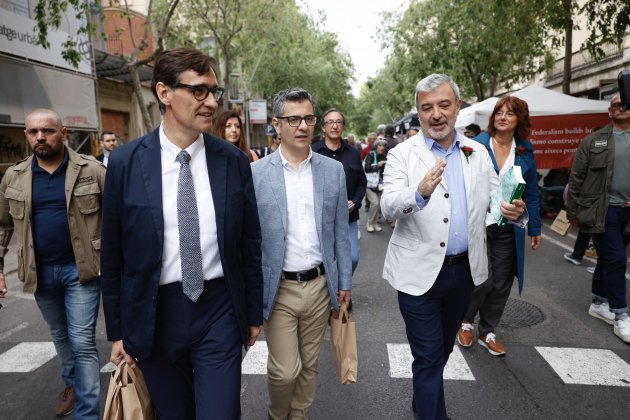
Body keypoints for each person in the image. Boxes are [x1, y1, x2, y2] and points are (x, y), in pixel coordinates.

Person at [100, 48, 263, 419]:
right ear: (164, 93)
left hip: (219, 308)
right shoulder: (126, 162)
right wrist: (119, 330)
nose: (210, 102)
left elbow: (249, 243)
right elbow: (113, 253)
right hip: (155, 313)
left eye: (214, 91)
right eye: (199, 91)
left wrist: (252, 313)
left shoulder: (232, 161)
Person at [380, 74, 525, 420]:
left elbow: (495, 203)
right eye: (426, 107)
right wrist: (419, 192)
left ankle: (423, 395)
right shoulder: (403, 154)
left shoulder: (478, 152)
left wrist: (512, 212)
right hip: (417, 278)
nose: (436, 114)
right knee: (429, 356)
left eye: (444, 104)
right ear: (418, 113)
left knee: (441, 351)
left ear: (458, 107)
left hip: (463, 275)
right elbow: (387, 207)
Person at [251, 87, 352, 420]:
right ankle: (277, 415)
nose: (303, 126)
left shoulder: (331, 171)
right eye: (293, 119)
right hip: (279, 289)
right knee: (285, 371)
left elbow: (339, 232)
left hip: (320, 286)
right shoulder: (256, 174)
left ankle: (299, 416)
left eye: (308, 118)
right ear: (277, 125)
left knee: (309, 366)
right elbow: (248, 239)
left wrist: (344, 283)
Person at [0, 108, 105, 419]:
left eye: (47, 130)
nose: (40, 137)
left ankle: (86, 413)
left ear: (64, 133)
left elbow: (119, 219)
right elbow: (3, 225)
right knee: (60, 334)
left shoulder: (92, 170)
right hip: (39, 272)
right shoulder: (14, 176)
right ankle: (73, 384)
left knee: (82, 341)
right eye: (33, 132)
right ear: (27, 136)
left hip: (81, 271)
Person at [457, 96, 542, 356]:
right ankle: (466, 321)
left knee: (502, 281)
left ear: (519, 120)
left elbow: (532, 193)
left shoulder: (525, 149)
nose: (503, 117)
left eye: (510, 113)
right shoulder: (475, 145)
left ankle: (488, 330)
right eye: (499, 112)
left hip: (509, 226)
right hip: (478, 224)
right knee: (482, 278)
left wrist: (535, 227)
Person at [567, 93, 630, 343]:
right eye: (615, 105)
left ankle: (598, 301)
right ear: (609, 112)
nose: (621, 108)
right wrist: (573, 212)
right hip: (603, 210)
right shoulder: (593, 141)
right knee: (616, 259)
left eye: (625, 104)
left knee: (608, 259)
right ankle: (621, 315)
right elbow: (577, 179)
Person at [312, 109, 367, 274]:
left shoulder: (353, 153)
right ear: (323, 127)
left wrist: (355, 202)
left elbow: (361, 182)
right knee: (325, 259)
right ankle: (333, 292)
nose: (334, 126)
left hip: (348, 217)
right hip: (320, 217)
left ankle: (344, 287)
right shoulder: (312, 152)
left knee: (352, 258)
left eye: (338, 122)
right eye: (330, 122)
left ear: (343, 127)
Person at [364, 139, 387, 232]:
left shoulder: (385, 156)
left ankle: (375, 223)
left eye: (383, 146)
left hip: (380, 184)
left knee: (379, 205)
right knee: (375, 203)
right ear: (376, 146)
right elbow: (367, 168)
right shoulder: (371, 154)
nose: (382, 148)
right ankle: (369, 223)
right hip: (370, 184)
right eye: (380, 146)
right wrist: (377, 165)